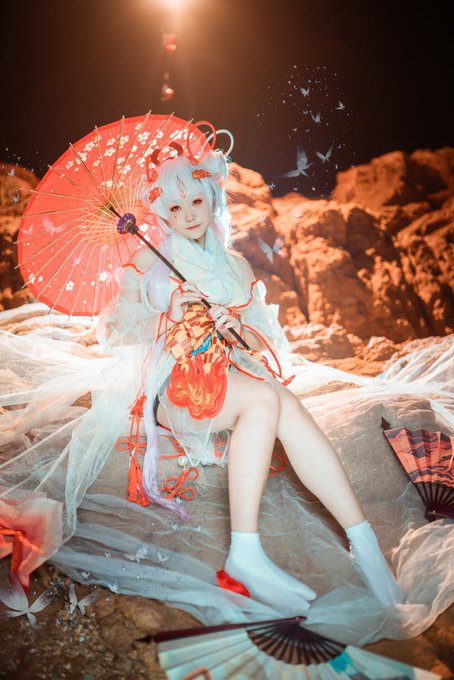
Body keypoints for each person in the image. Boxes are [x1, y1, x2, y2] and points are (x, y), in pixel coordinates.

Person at [107, 146, 404, 615]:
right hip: (174, 387)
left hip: (227, 376)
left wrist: (235, 328)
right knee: (265, 400)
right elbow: (115, 331)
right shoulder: (151, 261)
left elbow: (258, 341)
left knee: (283, 400)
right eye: (175, 208)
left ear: (211, 198)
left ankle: (362, 541)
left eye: (196, 202)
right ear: (162, 213)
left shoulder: (235, 265)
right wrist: (166, 312)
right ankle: (244, 553)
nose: (188, 216)